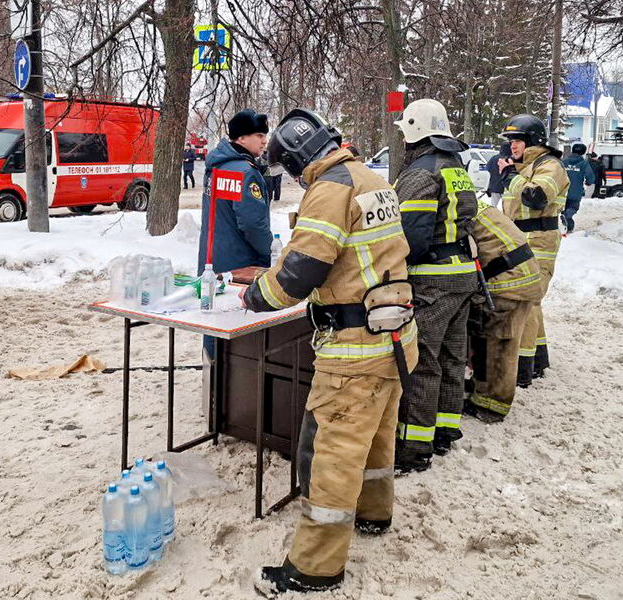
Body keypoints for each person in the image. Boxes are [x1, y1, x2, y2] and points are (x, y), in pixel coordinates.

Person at [243, 109, 416, 595]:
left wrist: (257, 294)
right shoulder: (369, 177)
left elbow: (299, 274)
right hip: (396, 334)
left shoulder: (330, 190)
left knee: (331, 453)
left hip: (354, 350)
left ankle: (315, 567)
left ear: (299, 163)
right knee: (377, 436)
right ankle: (374, 514)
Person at [392, 99, 479, 469]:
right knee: (452, 357)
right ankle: (444, 431)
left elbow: (409, 236)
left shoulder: (419, 173)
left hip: (432, 280)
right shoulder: (456, 167)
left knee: (422, 361)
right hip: (463, 276)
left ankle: (414, 448)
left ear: (414, 129)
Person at [498, 114, 569, 387]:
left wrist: (509, 177)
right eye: (510, 141)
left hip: (539, 240)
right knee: (531, 302)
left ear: (532, 141)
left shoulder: (549, 165)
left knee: (525, 301)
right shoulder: (524, 167)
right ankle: (538, 359)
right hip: (521, 239)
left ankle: (522, 368)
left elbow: (536, 197)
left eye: (517, 140)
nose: (512, 146)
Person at [464, 198, 544, 422]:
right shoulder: (469, 202)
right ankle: (484, 392)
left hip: (508, 279)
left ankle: (491, 406)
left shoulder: (459, 210)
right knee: (492, 340)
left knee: (497, 342)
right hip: (518, 271)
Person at [196, 108, 271, 275]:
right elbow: (253, 224)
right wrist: (269, 250)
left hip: (212, 261)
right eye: (259, 135)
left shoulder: (216, 166)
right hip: (240, 266)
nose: (265, 141)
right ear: (242, 138)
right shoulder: (246, 172)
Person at [561, 142, 594, 233]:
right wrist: (589, 182)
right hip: (576, 191)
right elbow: (590, 176)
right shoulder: (584, 163)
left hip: (562, 190)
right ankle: (567, 219)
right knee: (573, 208)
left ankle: (564, 218)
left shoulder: (563, 162)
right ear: (583, 152)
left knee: (563, 205)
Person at [486, 142, 512, 207]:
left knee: (493, 206)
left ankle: (492, 216)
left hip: (494, 186)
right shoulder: (511, 159)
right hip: (507, 187)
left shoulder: (494, 158)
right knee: (506, 207)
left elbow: (488, 169)